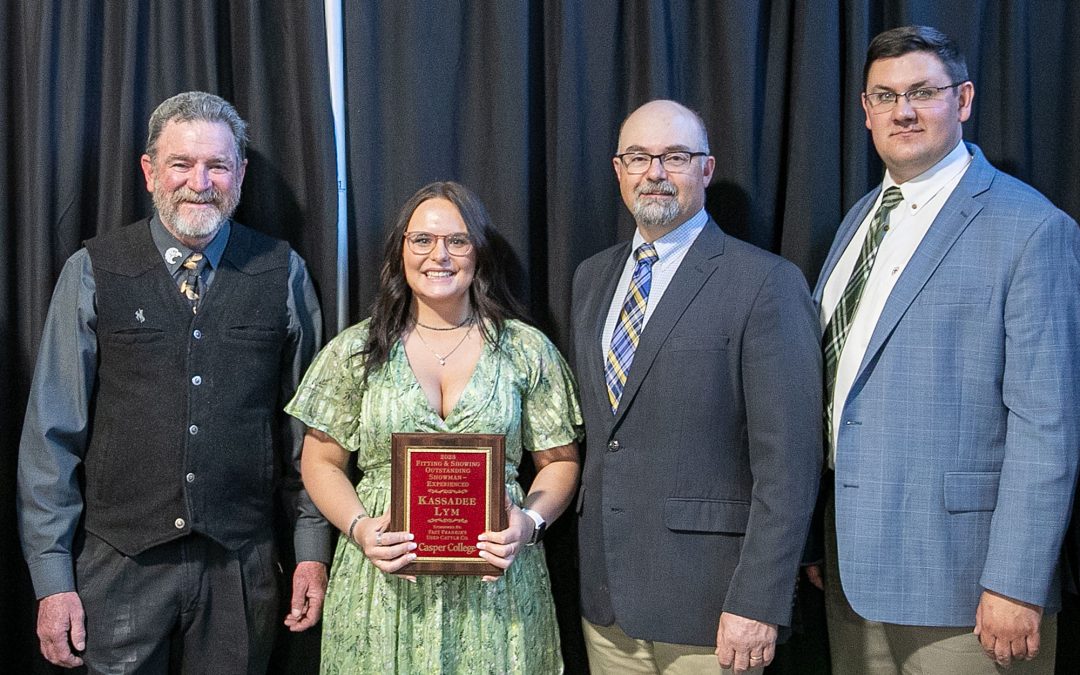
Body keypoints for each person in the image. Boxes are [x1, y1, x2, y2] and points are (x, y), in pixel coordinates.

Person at [17, 91, 333, 672]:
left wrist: (311, 552)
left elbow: (310, 436)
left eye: (217, 165)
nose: (200, 181)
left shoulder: (282, 271)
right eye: (182, 163)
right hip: (117, 568)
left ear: (239, 173)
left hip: (242, 566)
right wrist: (51, 577)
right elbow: (51, 436)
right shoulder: (92, 270)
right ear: (149, 171)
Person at [807, 25, 1080, 674]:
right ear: (866, 111)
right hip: (852, 573)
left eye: (923, 92)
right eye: (885, 94)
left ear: (963, 101)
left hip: (968, 587)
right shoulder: (860, 219)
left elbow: (1048, 424)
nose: (903, 109)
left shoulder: (1031, 228)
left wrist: (1014, 581)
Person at [288, 180, 582, 673]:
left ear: (479, 252)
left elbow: (559, 461)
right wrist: (360, 528)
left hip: (499, 594)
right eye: (422, 240)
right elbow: (319, 460)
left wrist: (529, 524)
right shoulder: (356, 350)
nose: (438, 255)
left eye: (457, 241)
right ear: (400, 251)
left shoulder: (527, 351)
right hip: (382, 590)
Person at [571, 99, 822, 674]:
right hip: (607, 602)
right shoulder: (591, 277)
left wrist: (759, 600)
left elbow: (790, 463)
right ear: (618, 170)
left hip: (714, 608)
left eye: (675, 156)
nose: (655, 172)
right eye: (639, 157)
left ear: (705, 170)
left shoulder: (766, 283)